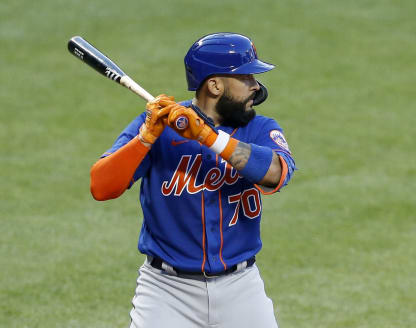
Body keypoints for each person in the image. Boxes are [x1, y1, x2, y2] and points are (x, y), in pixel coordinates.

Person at [90, 32, 296, 328]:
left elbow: (276, 174)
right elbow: (101, 187)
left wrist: (206, 136)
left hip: (241, 289)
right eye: (247, 77)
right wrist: (145, 139)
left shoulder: (260, 128)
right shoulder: (154, 126)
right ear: (214, 85)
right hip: (165, 292)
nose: (256, 86)